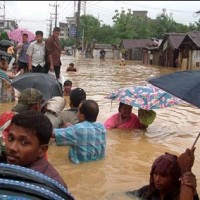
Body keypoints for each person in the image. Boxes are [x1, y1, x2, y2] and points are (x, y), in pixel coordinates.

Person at [5, 110, 68, 188]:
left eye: (24, 142)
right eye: (11, 138)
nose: (12, 148)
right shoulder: (16, 171)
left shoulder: (47, 187)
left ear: (42, 150)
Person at [126, 148, 199, 200]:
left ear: (173, 177)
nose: (157, 179)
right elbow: (124, 195)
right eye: (155, 173)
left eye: (163, 175)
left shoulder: (183, 193)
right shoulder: (147, 191)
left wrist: (186, 169)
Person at [53, 99, 106, 164]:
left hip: (78, 167)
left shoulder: (77, 130)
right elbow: (85, 131)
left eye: (78, 111)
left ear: (82, 116)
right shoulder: (101, 128)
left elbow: (52, 134)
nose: (77, 113)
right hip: (98, 166)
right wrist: (71, 127)